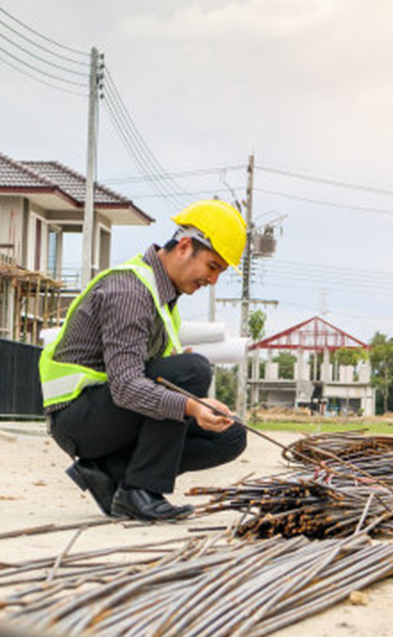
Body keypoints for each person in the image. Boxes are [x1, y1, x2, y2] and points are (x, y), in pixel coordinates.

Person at [40, 200, 248, 521]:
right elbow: (126, 387)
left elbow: (153, 378)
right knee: (192, 371)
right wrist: (191, 406)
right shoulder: (130, 292)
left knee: (231, 436)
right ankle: (140, 491)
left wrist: (199, 404)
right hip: (78, 419)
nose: (213, 280)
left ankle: (112, 473)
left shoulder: (163, 300)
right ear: (183, 246)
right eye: (212, 266)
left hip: (108, 415)